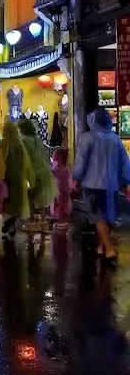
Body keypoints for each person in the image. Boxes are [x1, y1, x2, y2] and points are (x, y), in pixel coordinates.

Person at [71, 106, 130, 264]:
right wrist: (127, 181)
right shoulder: (115, 138)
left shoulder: (87, 137)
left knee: (98, 216)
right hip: (112, 184)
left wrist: (76, 178)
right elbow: (125, 161)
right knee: (108, 215)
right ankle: (101, 246)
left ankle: (109, 248)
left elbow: (81, 160)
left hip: (92, 183)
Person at [0, 118, 33, 239]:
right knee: (17, 202)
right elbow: (26, 162)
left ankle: (9, 221)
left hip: (7, 178)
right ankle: (12, 226)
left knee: (6, 203)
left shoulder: (2, 144)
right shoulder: (19, 144)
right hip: (19, 177)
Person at [18, 116, 56, 233]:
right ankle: (44, 222)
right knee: (41, 199)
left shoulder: (23, 141)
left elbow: (23, 158)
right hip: (43, 170)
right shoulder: (37, 139)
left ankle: (32, 222)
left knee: (30, 197)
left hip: (32, 172)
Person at [51, 146, 72, 231]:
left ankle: (61, 222)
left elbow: (53, 174)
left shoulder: (59, 168)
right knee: (63, 207)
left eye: (54, 155)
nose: (53, 156)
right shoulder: (65, 168)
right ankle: (63, 221)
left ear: (59, 157)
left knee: (61, 207)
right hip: (64, 191)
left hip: (61, 191)